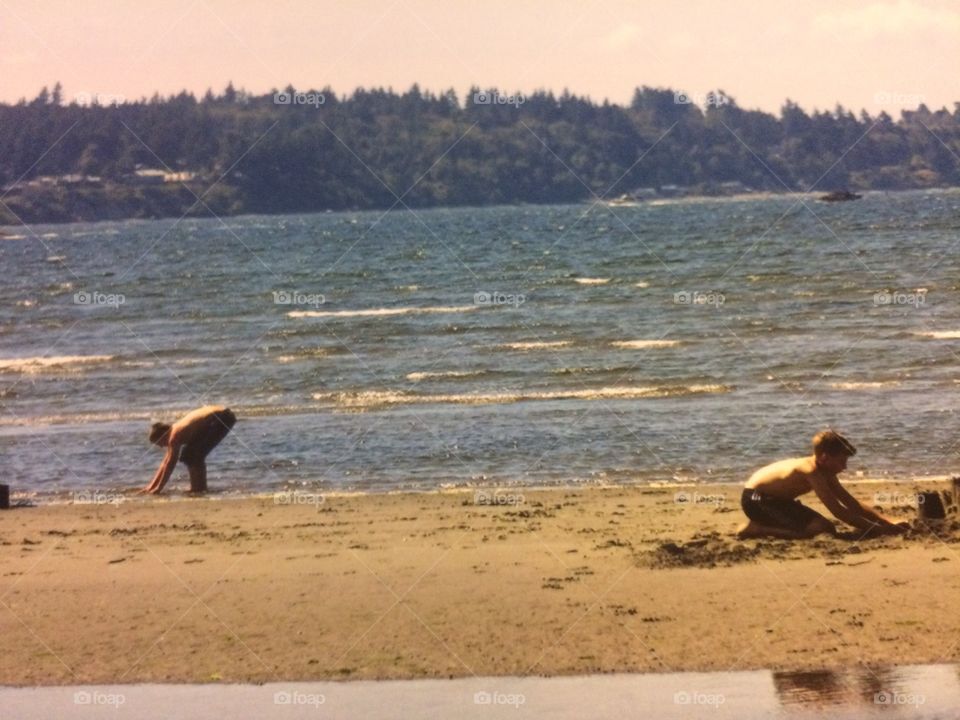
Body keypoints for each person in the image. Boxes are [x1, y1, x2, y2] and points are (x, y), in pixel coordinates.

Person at [737, 430, 909, 539]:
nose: (844, 467)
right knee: (819, 529)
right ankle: (757, 528)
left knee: (825, 527)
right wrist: (878, 530)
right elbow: (838, 511)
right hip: (755, 499)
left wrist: (887, 522)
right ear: (825, 458)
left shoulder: (826, 470)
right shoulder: (810, 471)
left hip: (778, 500)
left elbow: (850, 503)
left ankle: (766, 525)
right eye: (841, 461)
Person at [142, 405, 236, 494]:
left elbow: (170, 463)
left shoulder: (174, 436)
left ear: (163, 435)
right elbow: (165, 462)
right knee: (189, 455)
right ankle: (198, 487)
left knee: (193, 455)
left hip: (222, 418)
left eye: (159, 443)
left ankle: (199, 489)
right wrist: (151, 486)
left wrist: (159, 488)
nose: (162, 446)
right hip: (222, 414)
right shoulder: (175, 429)